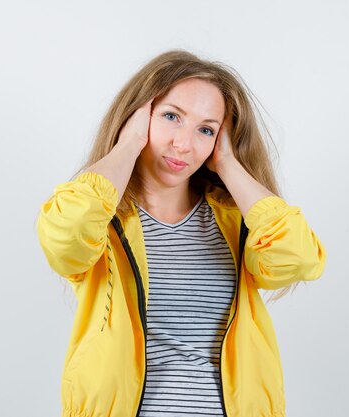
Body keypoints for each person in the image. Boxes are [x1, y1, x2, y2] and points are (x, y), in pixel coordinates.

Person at [36, 49, 327, 417]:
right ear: (139, 117)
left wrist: (229, 162)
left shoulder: (237, 222)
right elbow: (66, 233)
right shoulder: (100, 222)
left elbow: (298, 259)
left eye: (206, 129)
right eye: (172, 116)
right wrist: (128, 144)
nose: (184, 144)